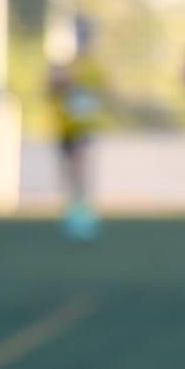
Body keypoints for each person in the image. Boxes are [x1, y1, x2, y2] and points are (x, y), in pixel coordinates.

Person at [46, 15, 106, 240]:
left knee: (81, 167)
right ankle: (72, 211)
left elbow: (101, 93)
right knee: (68, 170)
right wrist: (63, 79)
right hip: (64, 126)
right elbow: (51, 89)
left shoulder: (92, 66)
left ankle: (83, 213)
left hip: (84, 126)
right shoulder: (60, 65)